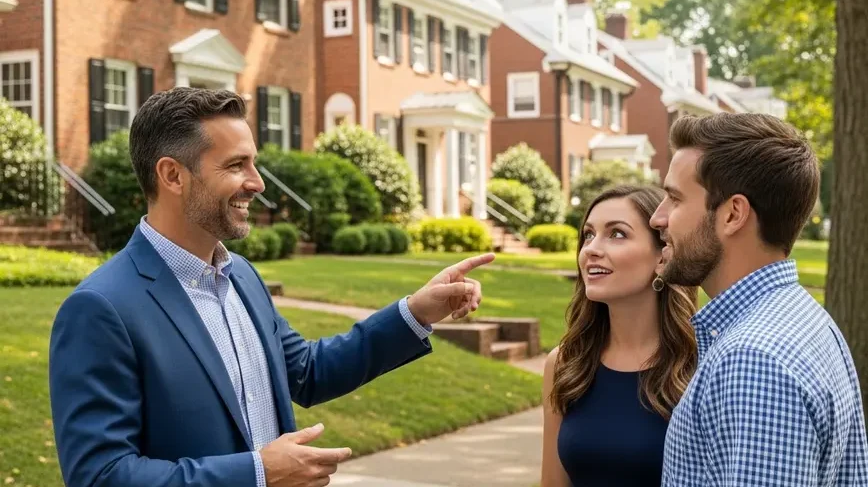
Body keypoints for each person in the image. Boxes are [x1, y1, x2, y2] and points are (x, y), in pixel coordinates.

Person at [48, 87, 494, 487]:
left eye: (253, 163)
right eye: (236, 165)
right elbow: (100, 475)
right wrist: (257, 473)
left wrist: (415, 313)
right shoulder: (100, 308)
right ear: (172, 176)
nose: (257, 182)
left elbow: (305, 372)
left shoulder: (240, 275)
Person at [652, 113, 868, 485]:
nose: (658, 217)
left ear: (733, 214)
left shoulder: (754, 359)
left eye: (674, 198)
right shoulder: (806, 319)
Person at [541, 185, 698, 487]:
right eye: (588, 234)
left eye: (616, 234)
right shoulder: (565, 365)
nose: (591, 249)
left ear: (662, 256)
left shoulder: (701, 366)